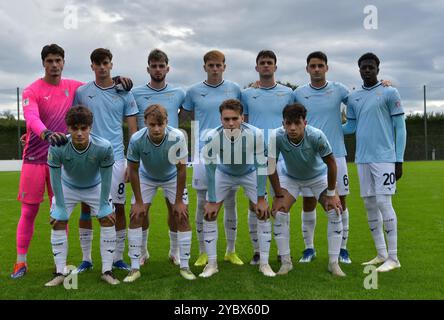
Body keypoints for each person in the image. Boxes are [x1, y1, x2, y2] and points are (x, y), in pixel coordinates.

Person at [73, 48, 138, 273]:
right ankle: (87, 259)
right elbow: (75, 125)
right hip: (87, 157)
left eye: (106, 63)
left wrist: (131, 161)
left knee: (118, 207)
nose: (102, 67)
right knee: (85, 206)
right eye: (97, 63)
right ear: (92, 66)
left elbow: (133, 129)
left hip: (116, 158)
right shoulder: (82, 92)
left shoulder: (124, 92)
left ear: (111, 64)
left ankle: (118, 257)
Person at [343, 52, 406, 272]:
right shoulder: (354, 97)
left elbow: (401, 127)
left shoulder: (389, 92)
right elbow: (350, 128)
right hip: (362, 159)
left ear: (378, 69)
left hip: (385, 159)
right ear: (359, 69)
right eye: (363, 67)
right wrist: (329, 127)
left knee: (383, 203)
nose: (367, 70)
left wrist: (399, 159)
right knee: (369, 204)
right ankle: (381, 254)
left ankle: (394, 258)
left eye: (371, 67)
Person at [268, 103, 346, 276]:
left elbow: (331, 164)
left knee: (335, 210)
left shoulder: (316, 135)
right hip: (291, 178)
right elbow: (270, 166)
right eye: (288, 123)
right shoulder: (276, 136)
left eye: (297, 123)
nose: (293, 128)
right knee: (279, 212)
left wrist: (332, 194)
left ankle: (333, 263)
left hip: (318, 177)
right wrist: (278, 195)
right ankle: (286, 263)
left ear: (305, 122)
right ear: (283, 123)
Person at [45, 105, 119, 286]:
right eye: (74, 128)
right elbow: (54, 178)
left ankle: (107, 271)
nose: (79, 133)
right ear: (68, 128)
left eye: (83, 128)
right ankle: (60, 272)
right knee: (58, 221)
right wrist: (60, 207)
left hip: (95, 187)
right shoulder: (57, 147)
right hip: (67, 187)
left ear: (90, 128)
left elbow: (107, 177)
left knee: (107, 218)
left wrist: (103, 205)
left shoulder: (104, 147)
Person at [183, 50, 243, 267]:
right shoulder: (193, 92)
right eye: (211, 65)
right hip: (202, 152)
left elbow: (240, 115)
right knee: (202, 203)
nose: (215, 69)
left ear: (224, 66)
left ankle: (230, 250)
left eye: (219, 65)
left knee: (230, 202)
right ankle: (203, 252)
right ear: (205, 67)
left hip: (229, 152)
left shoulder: (235, 89)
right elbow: (188, 116)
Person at [293, 51, 352, 264]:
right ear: (307, 69)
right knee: (308, 201)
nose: (317, 69)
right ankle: (309, 249)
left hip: (336, 155)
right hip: (308, 156)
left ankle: (343, 250)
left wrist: (383, 84)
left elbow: (358, 101)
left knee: (340, 200)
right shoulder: (298, 93)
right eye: (313, 66)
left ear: (327, 67)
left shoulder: (339, 90)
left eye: (320, 65)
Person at [201, 99, 271, 278]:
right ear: (221, 119)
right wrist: (212, 200)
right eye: (226, 119)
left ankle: (264, 263)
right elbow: (210, 169)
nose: (230, 123)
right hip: (223, 173)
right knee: (209, 214)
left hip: (249, 172)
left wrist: (261, 198)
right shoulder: (211, 137)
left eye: (234, 118)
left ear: (242, 117)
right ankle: (212, 264)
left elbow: (262, 165)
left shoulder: (255, 134)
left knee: (263, 212)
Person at [125, 104, 195, 282]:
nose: (156, 129)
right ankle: (136, 264)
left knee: (182, 215)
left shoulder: (178, 137)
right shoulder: (136, 139)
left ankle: (182, 261)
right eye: (152, 124)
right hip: (146, 177)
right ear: (145, 123)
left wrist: (179, 201)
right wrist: (139, 202)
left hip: (172, 176)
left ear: (167, 122)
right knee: (136, 214)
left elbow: (181, 170)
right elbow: (133, 170)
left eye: (160, 124)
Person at [132, 49, 187, 266]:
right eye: (153, 66)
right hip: (145, 161)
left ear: (167, 68)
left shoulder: (179, 93)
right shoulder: (135, 93)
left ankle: (175, 252)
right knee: (140, 211)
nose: (157, 69)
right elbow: (131, 120)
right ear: (148, 69)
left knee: (176, 210)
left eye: (161, 65)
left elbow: (191, 108)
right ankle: (142, 252)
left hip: (171, 161)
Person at [241, 49, 294, 265]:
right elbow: (240, 122)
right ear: (256, 67)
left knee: (281, 203)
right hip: (255, 157)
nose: (265, 65)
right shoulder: (246, 94)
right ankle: (257, 251)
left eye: (269, 62)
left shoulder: (288, 93)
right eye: (262, 62)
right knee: (255, 205)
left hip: (281, 157)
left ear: (275, 67)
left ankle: (283, 253)